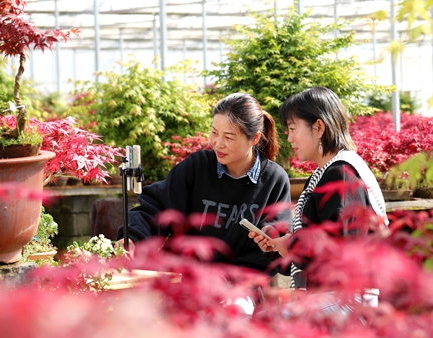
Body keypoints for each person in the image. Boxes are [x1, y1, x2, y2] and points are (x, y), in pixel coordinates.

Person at [118, 92, 292, 277]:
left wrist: (227, 282)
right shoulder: (196, 167)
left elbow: (273, 248)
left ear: (255, 138)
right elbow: (155, 208)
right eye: (214, 132)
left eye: (229, 137)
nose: (218, 143)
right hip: (183, 280)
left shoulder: (274, 179)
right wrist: (133, 238)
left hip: (238, 286)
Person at [249, 86, 388, 302]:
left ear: (319, 127)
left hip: (345, 300)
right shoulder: (332, 171)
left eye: (293, 128)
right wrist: (278, 245)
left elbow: (340, 248)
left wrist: (292, 244)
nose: (290, 138)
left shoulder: (340, 173)